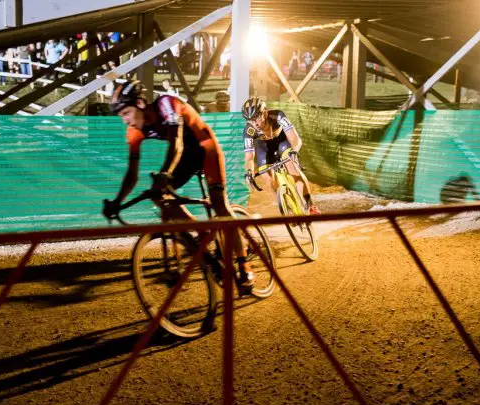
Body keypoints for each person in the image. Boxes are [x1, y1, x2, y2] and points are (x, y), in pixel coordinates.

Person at [103, 81, 255, 292]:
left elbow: (177, 143)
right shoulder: (134, 131)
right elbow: (132, 173)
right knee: (159, 197)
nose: (126, 120)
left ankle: (244, 263)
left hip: (205, 149)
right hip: (184, 157)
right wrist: (117, 201)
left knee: (220, 205)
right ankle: (200, 235)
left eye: (127, 113)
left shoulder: (166, 104)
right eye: (122, 117)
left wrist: (165, 174)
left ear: (140, 103)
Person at [241, 97, 320, 214]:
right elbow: (249, 158)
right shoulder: (248, 131)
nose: (255, 123)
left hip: (281, 141)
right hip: (264, 148)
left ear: (265, 113)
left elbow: (294, 138)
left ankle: (309, 205)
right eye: (250, 120)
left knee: (292, 166)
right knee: (266, 177)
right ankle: (284, 205)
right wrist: (249, 172)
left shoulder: (277, 116)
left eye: (257, 117)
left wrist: (294, 150)